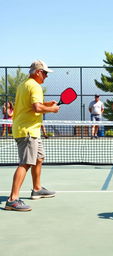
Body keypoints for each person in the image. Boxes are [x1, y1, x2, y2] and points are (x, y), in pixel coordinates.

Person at [5, 60, 60, 211]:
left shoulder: (24, 85)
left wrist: (47, 104)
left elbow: (29, 105)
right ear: (37, 72)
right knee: (26, 163)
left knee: (39, 158)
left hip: (31, 129)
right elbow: (36, 108)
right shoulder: (35, 86)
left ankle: (37, 189)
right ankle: (12, 199)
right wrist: (52, 110)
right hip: (27, 130)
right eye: (45, 73)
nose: (46, 76)